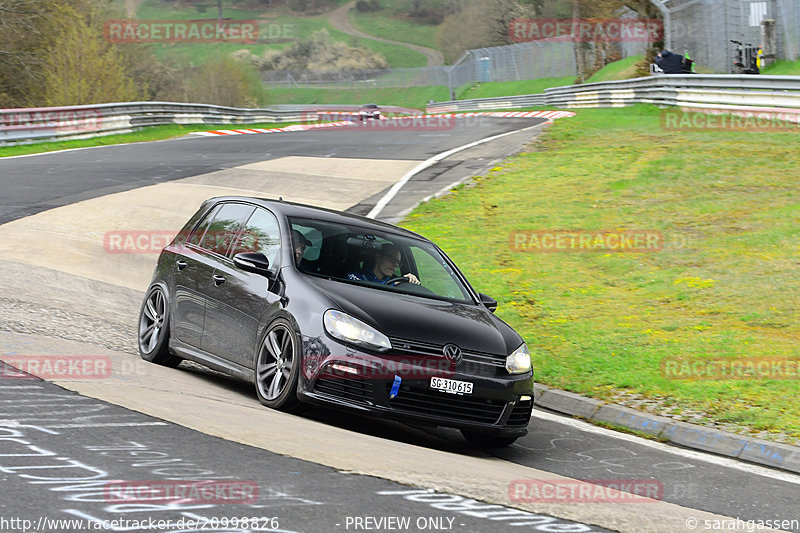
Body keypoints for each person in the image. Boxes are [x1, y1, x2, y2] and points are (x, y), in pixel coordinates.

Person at [347, 243, 420, 285]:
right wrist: (393, 285)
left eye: (398, 263)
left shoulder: (397, 284)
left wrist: (410, 280)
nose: (395, 265)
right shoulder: (355, 277)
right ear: (378, 257)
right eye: (392, 259)